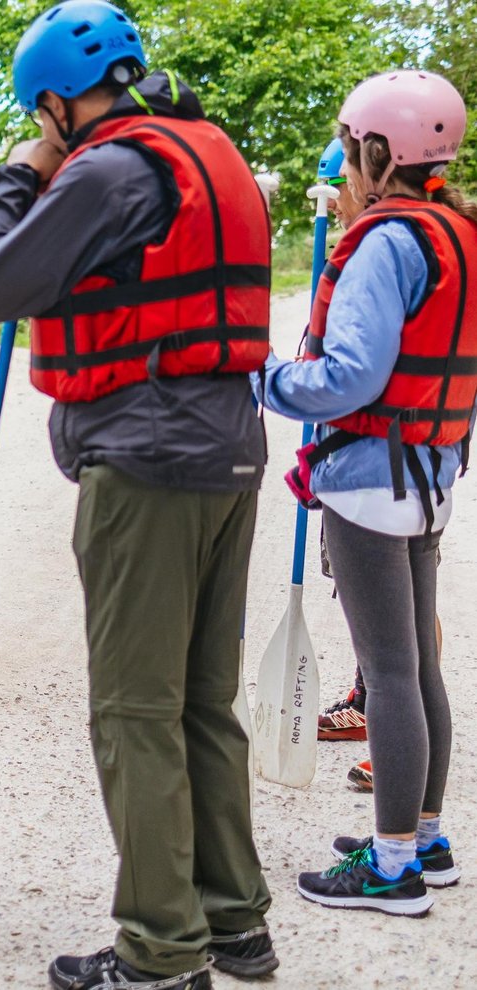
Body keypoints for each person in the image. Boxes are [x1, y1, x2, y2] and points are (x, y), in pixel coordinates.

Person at [0, 3, 276, 986]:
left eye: (39, 115)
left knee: (136, 712)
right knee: (203, 705)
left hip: (145, 463)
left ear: (56, 103)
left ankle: (160, 951)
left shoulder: (104, 166)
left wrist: (19, 175)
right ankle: (234, 925)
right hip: (229, 455)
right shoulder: (207, 150)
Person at [261, 69, 474, 916]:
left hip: (371, 477)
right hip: (426, 476)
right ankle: (424, 837)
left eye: (352, 149)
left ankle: (392, 870)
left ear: (380, 153)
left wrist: (263, 379)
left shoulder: (388, 241)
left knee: (388, 671)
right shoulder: (455, 229)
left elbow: (348, 378)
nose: (347, 166)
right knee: (416, 665)